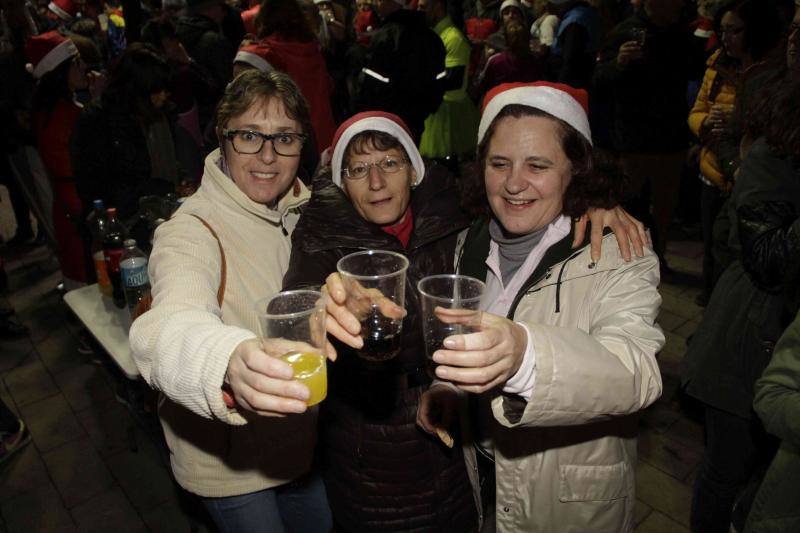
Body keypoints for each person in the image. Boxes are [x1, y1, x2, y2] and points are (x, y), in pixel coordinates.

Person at [416, 82, 665, 532]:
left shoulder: (619, 252)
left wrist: (524, 354)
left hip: (567, 503)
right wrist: (447, 388)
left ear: (577, 172)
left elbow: (637, 371)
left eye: (538, 165)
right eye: (499, 164)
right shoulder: (467, 244)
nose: (513, 183)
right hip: (484, 481)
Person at [129, 69, 333, 533]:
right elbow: (169, 324)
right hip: (230, 465)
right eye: (249, 136)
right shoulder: (191, 230)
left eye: (284, 138)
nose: (267, 155)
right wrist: (225, 360)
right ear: (223, 139)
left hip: (299, 442)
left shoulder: (308, 212)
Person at [283, 111, 482, 532]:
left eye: (389, 163)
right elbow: (300, 322)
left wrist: (593, 206)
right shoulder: (320, 236)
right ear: (341, 183)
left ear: (413, 170)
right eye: (358, 169)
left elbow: (526, 205)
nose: (376, 182)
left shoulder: (457, 214)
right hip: (370, 446)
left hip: (455, 422)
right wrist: (329, 309)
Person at [683, 19, 800, 531]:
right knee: (727, 469)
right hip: (752, 335)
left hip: (780, 334)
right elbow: (768, 257)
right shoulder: (778, 146)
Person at [688, 0, 785, 306]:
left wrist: (737, 121)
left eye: (736, 30)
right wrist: (706, 122)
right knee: (713, 247)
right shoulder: (717, 64)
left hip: (747, 181)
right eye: (724, 30)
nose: (727, 37)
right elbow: (696, 111)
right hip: (713, 170)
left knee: (734, 255)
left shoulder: (772, 76)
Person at [593, 0, 692, 272]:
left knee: (664, 209)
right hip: (634, 139)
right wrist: (619, 63)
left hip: (671, 137)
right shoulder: (625, 32)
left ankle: (657, 260)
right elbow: (599, 81)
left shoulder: (681, 34)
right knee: (628, 204)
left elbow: (692, 74)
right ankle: (623, 261)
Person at [71, 44, 182, 226]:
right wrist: (157, 188)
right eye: (158, 90)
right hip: (121, 223)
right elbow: (98, 188)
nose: (164, 96)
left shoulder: (152, 115)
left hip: (155, 214)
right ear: (140, 89)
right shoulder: (99, 121)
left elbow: (169, 162)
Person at [27, 30, 92, 289]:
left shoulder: (48, 112)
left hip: (67, 206)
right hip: (80, 208)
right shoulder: (68, 117)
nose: (84, 67)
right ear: (60, 72)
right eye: (76, 62)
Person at [353, 0, 447, 141]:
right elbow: (439, 82)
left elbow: (370, 86)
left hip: (385, 125)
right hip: (417, 122)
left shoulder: (387, 36)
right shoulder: (431, 37)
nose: (375, 3)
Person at [252, 0, 337, 152]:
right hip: (323, 131)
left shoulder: (265, 53)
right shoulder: (312, 48)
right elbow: (328, 86)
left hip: (290, 135)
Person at [419, 0, 480, 167]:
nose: (419, 11)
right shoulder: (434, 34)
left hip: (449, 115)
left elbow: (454, 81)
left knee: (449, 169)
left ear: (437, 7)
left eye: (423, 7)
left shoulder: (453, 37)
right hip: (437, 109)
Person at [546, 0, 600, 88]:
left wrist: (560, 88)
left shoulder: (575, 21)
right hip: (578, 78)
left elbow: (571, 60)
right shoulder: (580, 14)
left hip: (574, 83)